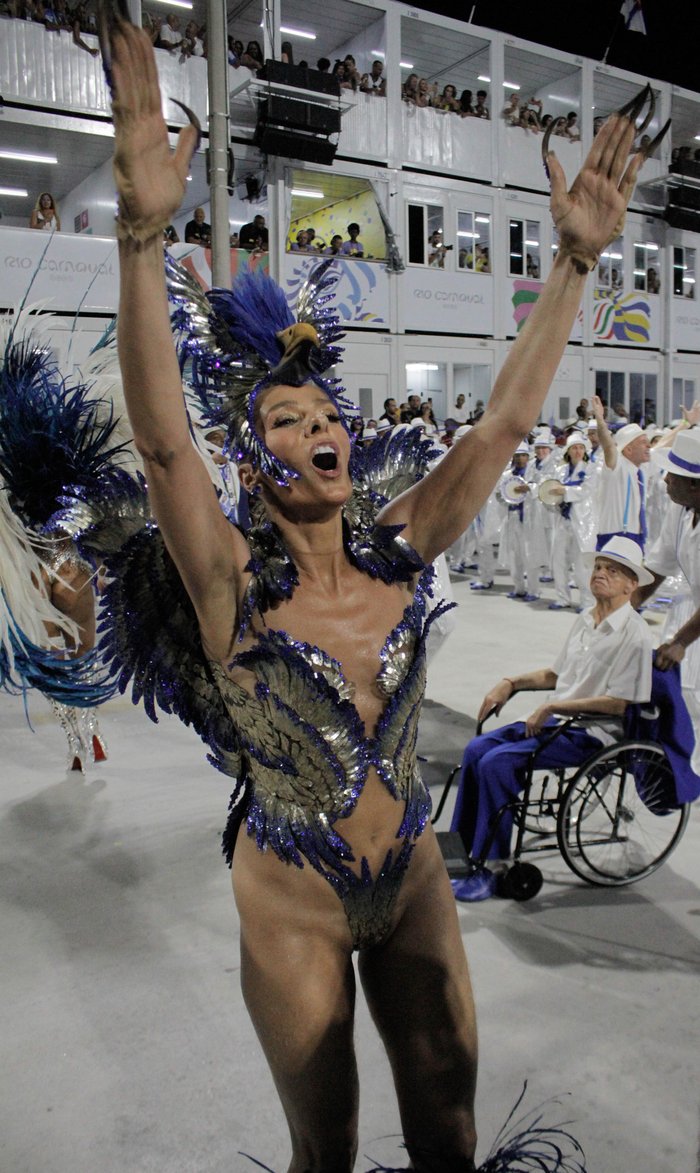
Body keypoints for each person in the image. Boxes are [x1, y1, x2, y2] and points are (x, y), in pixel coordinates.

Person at [100, 17, 644, 1167]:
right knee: (328, 1150)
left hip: (412, 881)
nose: (320, 427)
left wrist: (577, 264)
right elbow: (159, 449)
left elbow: (501, 422)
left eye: (326, 413)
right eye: (287, 422)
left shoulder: (401, 550)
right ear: (256, 466)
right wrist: (142, 236)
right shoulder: (229, 585)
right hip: (290, 898)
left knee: (448, 1129)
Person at [450, 536, 654, 900]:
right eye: (598, 567)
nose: (600, 574)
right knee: (477, 749)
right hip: (555, 720)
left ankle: (493, 867)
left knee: (497, 764)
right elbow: (557, 675)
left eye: (612, 571)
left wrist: (553, 708)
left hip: (592, 732)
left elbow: (620, 703)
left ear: (631, 584)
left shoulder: (635, 636)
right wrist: (510, 683)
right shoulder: (585, 621)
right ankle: (459, 854)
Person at [591, 394, 649, 550]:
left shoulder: (640, 470)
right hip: (614, 537)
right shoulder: (617, 466)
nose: (648, 446)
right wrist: (600, 420)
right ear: (628, 449)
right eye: (643, 443)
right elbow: (608, 446)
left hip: (636, 537)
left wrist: (685, 424)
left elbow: (663, 444)